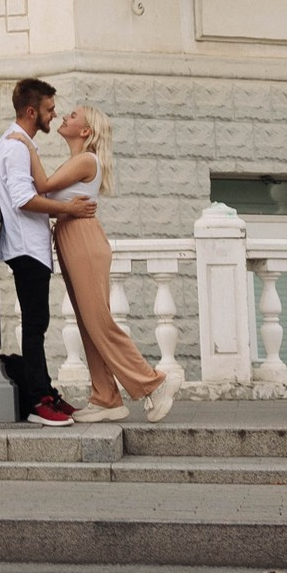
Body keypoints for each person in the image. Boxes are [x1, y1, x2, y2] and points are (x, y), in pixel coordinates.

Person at [36, 106, 178, 423]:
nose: (65, 117)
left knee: (99, 321)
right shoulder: (77, 160)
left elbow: (42, 186)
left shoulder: (86, 160)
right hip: (72, 237)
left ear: (85, 131)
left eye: (73, 116)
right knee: (88, 323)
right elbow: (53, 203)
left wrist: (25, 146)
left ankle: (154, 382)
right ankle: (106, 398)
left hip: (83, 239)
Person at [0, 78, 94, 427]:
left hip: (29, 246)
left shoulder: (19, 143)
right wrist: (71, 211)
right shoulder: (15, 147)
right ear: (32, 111)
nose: (54, 115)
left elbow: (32, 195)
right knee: (35, 326)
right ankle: (38, 401)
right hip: (25, 247)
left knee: (39, 324)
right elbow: (24, 200)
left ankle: (45, 391)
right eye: (49, 110)